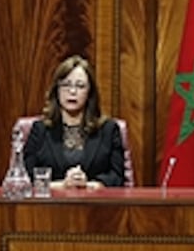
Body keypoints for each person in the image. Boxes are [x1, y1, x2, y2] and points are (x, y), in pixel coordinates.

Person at [23, 54, 125, 188]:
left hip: (95, 205)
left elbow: (117, 177)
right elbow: (25, 177)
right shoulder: (40, 130)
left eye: (80, 86)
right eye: (65, 85)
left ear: (89, 93)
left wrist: (87, 185)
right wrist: (63, 185)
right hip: (50, 206)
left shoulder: (109, 130)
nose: (72, 91)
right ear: (56, 90)